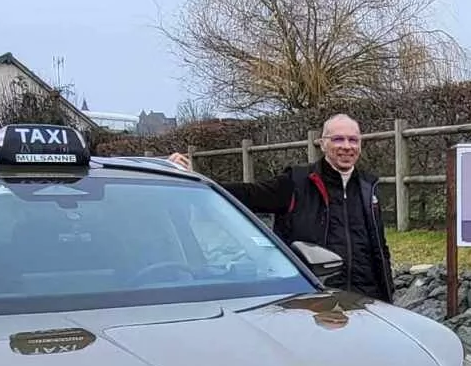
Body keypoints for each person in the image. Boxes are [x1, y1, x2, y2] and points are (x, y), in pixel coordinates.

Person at [168, 114, 394, 302]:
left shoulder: (368, 186)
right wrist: (191, 179)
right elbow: (248, 195)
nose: (346, 147)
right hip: (312, 299)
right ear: (322, 143)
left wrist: (387, 294)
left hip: (365, 301)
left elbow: (379, 249)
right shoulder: (296, 182)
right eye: (338, 139)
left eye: (353, 140)